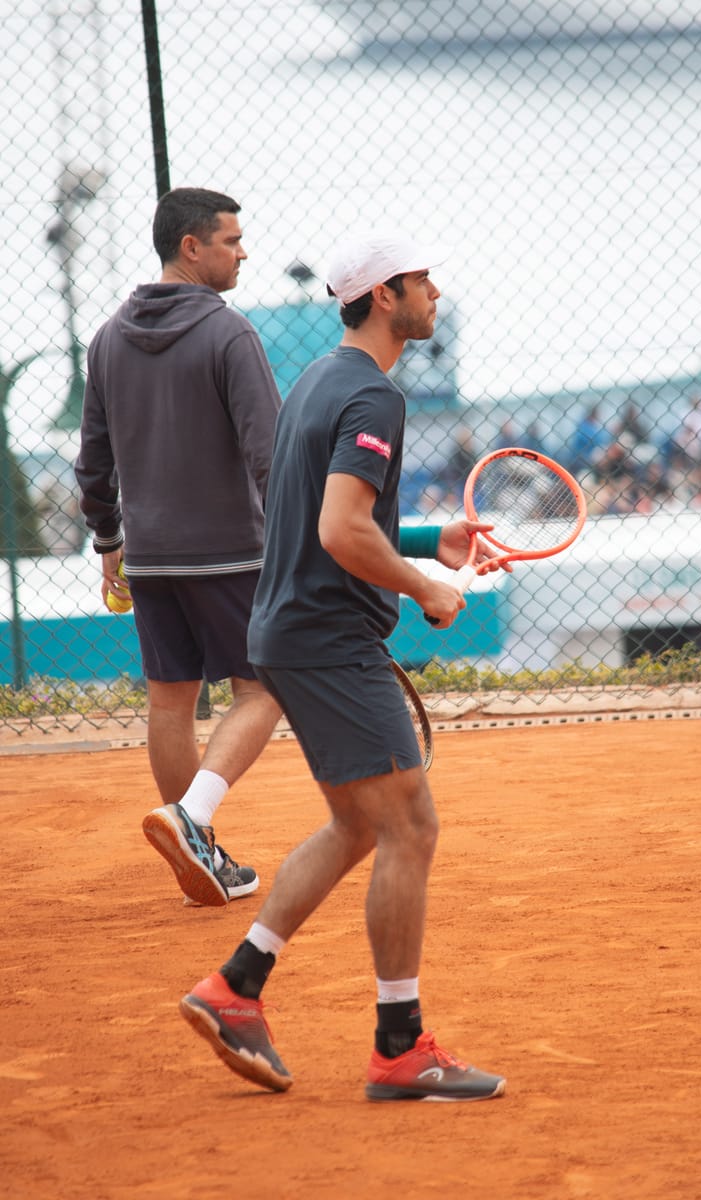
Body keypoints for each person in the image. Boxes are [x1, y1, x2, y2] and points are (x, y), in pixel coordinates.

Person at [179, 230, 507, 1102]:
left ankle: (236, 986)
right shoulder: (373, 396)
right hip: (328, 639)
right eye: (422, 282)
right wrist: (427, 589)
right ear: (385, 296)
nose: (435, 293)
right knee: (411, 828)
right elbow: (338, 530)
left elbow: (322, 516)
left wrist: (429, 540)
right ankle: (400, 1047)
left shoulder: (320, 382)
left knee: (357, 826)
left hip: (290, 633)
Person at [75, 187, 283, 907]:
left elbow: (93, 459)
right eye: (231, 240)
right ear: (191, 247)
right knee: (265, 689)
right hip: (231, 553)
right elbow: (270, 454)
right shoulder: (230, 333)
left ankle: (201, 858)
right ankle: (192, 820)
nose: (243, 252)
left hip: (150, 555)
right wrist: (298, 539)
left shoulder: (107, 338)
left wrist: (109, 537)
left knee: (170, 703)